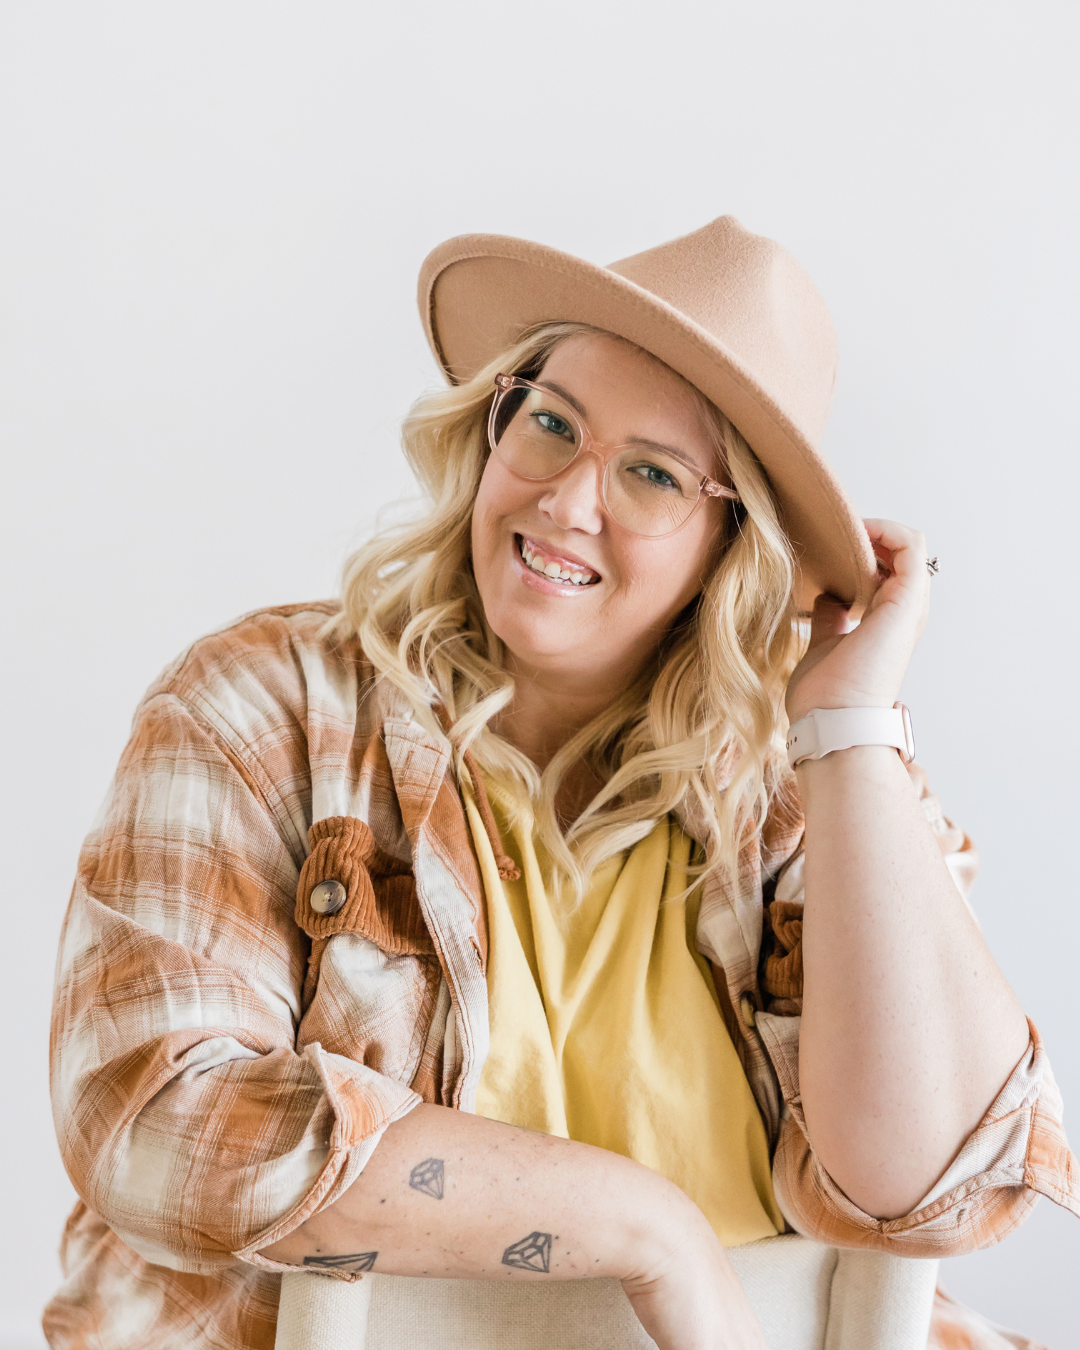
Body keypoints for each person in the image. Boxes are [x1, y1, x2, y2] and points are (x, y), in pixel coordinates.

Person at [46, 217, 1078, 1350]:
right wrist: (646, 1234)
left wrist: (851, 726)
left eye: (650, 475)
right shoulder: (264, 709)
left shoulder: (797, 790)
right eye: (550, 424)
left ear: (733, 550)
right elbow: (153, 1122)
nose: (568, 502)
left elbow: (929, 1187)